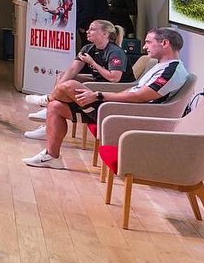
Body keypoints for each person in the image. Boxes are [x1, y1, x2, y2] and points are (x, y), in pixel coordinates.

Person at [23, 27, 190, 168]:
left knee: (69, 85)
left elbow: (140, 96)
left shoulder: (172, 71)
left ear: (165, 43)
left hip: (127, 112)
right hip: (117, 106)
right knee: (56, 107)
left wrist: (99, 95)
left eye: (148, 42)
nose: (145, 47)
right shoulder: (160, 65)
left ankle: (46, 100)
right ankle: (52, 157)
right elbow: (135, 89)